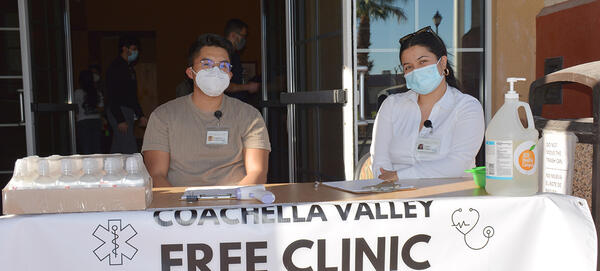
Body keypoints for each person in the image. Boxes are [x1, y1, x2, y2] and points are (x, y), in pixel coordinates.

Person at [142, 33, 271, 187]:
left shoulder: (250, 116)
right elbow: (156, 176)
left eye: (223, 65)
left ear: (230, 75)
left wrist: (232, 205)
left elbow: (258, 173)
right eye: (207, 64)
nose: (216, 71)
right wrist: (183, 208)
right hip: (181, 206)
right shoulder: (163, 116)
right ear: (190, 72)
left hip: (235, 205)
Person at [370, 26, 484, 181]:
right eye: (408, 67)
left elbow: (458, 164)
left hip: (450, 198)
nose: (416, 71)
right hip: (397, 198)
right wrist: (394, 188)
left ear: (442, 63)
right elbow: (379, 163)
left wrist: (398, 176)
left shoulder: (467, 107)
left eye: (423, 62)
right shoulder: (391, 106)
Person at [105, 35, 147, 154]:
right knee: (128, 148)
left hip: (126, 109)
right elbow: (112, 93)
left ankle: (113, 171)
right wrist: (120, 119)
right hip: (118, 109)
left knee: (119, 147)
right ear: (124, 48)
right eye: (133, 48)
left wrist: (140, 115)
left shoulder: (129, 68)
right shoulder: (116, 67)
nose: (135, 52)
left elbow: (132, 95)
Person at [223, 19, 260, 103]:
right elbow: (224, 85)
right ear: (233, 35)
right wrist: (248, 87)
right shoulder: (224, 54)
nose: (244, 40)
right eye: (243, 36)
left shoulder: (233, 54)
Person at [74, 70, 104, 154]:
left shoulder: (78, 92)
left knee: (86, 149)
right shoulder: (97, 93)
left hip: (83, 121)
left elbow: (75, 108)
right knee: (96, 148)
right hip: (96, 121)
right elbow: (101, 108)